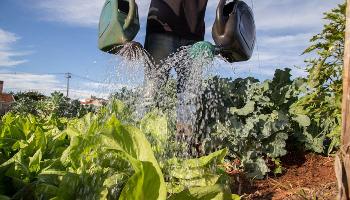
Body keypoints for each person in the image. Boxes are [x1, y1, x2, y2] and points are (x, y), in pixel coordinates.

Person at [143, 0, 211, 140]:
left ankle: (182, 146)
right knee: (151, 92)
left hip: (194, 36)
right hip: (162, 27)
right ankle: (144, 143)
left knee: (189, 98)